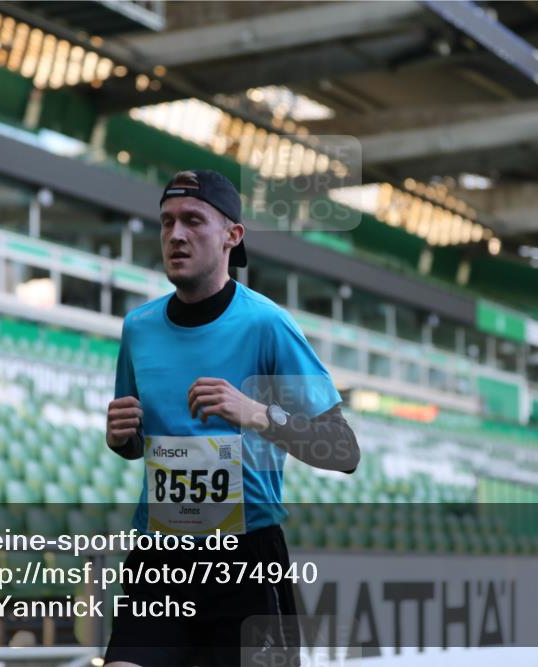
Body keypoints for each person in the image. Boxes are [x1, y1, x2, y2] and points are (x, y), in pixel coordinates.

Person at [104, 169, 359, 667]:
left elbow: (344, 450)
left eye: (193, 220)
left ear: (232, 235)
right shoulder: (138, 328)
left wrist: (258, 413)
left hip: (246, 562)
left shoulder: (267, 324)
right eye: (167, 222)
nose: (176, 235)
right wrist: (121, 439)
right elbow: (135, 442)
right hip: (161, 560)